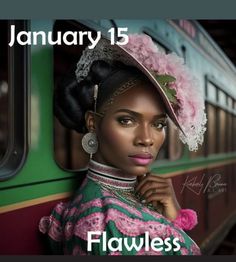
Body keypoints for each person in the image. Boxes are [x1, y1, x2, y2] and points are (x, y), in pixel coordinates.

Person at [39, 30, 207, 255]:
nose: (146, 139)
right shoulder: (104, 222)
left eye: (158, 124)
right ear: (92, 123)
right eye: (127, 120)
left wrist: (174, 217)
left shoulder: (121, 199)